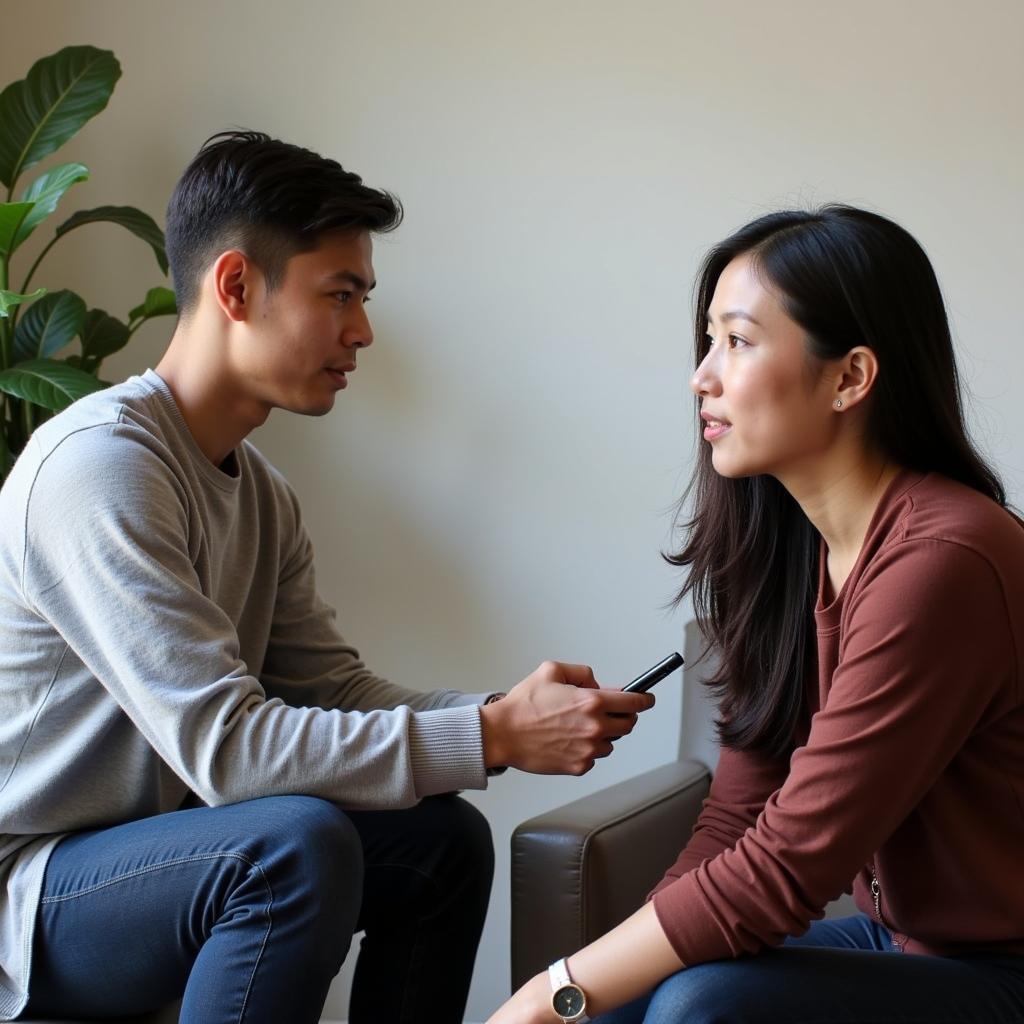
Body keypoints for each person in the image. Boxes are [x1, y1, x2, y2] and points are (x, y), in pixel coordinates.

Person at [0, 131, 654, 1024]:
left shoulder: (262, 494)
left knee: (443, 841)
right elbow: (228, 751)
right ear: (235, 286)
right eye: (338, 295)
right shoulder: (99, 467)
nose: (363, 330)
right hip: (31, 894)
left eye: (364, 297)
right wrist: (492, 737)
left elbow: (335, 690)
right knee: (289, 846)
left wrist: (503, 712)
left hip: (151, 855)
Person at [487, 205, 1024, 1024]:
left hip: (1002, 968)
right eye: (709, 342)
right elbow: (739, 815)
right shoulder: (791, 553)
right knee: (637, 999)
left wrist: (551, 993)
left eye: (736, 342)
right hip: (901, 943)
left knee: (700, 1005)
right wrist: (595, 990)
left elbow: (786, 867)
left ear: (850, 377)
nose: (701, 376)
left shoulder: (945, 562)